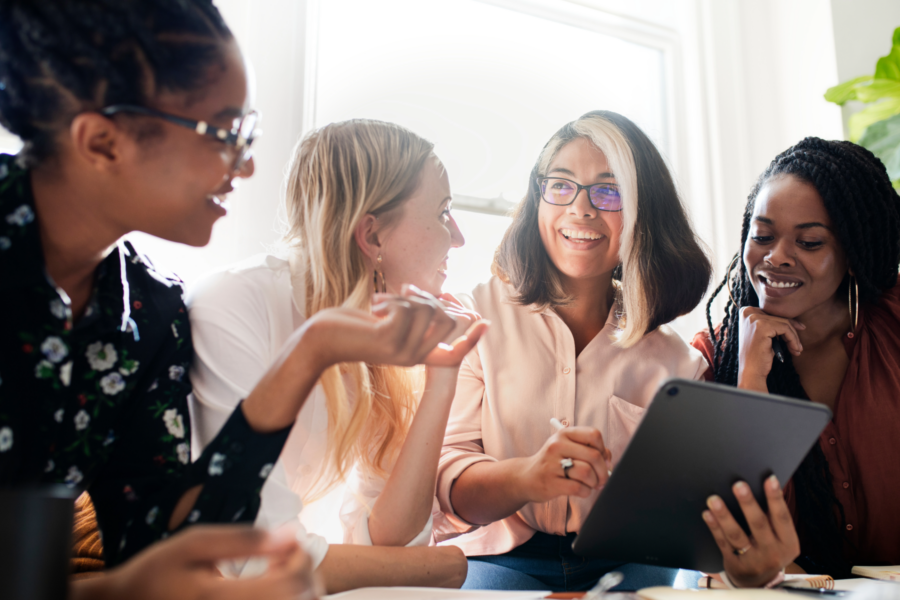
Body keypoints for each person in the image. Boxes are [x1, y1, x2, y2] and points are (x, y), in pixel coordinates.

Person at [0, 1, 466, 597]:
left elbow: (169, 530)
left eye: (248, 134)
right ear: (102, 141)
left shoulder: (146, 313)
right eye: (223, 133)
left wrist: (310, 350)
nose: (245, 166)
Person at [187, 119, 486, 593]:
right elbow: (253, 558)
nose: (459, 238)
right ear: (372, 236)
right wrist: (443, 568)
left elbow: (391, 543)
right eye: (443, 211)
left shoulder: (378, 334)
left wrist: (442, 380)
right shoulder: (234, 306)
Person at [434, 110, 712, 592]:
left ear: (644, 213)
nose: (581, 210)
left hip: (630, 563)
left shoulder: (677, 363)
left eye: (610, 191)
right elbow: (450, 485)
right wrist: (525, 478)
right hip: (500, 559)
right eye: (560, 185)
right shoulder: (475, 318)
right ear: (537, 198)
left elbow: (688, 513)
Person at [692, 137, 900, 586]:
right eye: (762, 236)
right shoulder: (716, 358)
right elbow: (728, 538)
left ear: (854, 248)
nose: (777, 256)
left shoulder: (894, 326)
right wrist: (751, 378)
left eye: (808, 241)